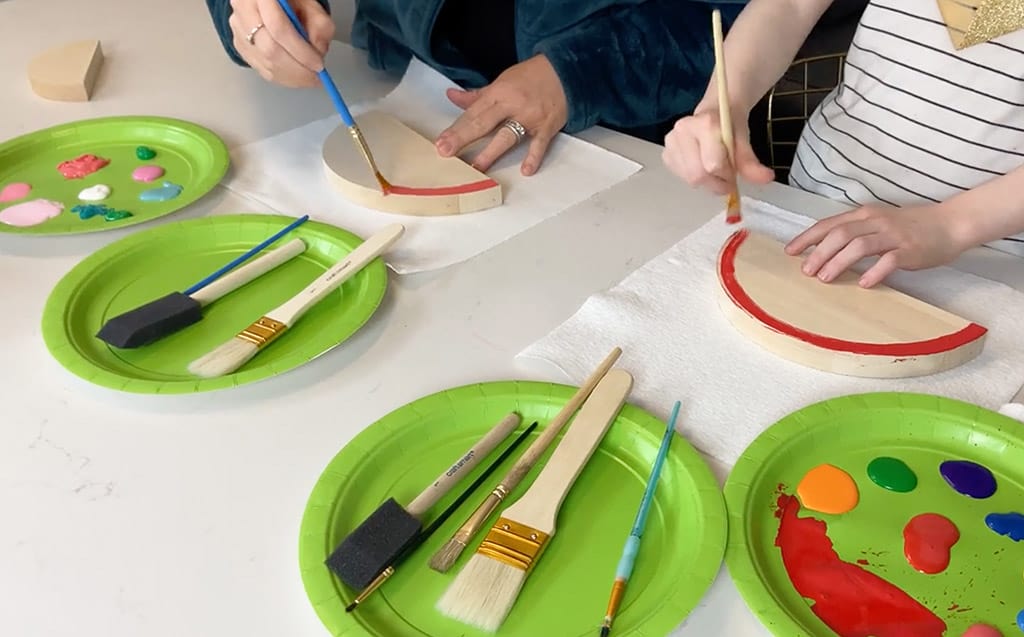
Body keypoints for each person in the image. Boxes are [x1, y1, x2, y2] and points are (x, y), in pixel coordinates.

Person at [662, 0, 1024, 288]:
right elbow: (788, 6)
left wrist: (951, 226)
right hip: (817, 203)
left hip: (989, 259)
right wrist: (722, 106)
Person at [205, 0, 747, 176]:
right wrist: (257, 17)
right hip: (401, 75)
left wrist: (580, 71)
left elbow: (741, 17)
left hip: (631, 141)